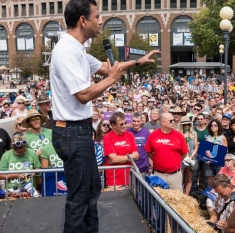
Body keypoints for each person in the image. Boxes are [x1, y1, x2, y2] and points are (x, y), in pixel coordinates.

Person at [50, 1, 159, 232]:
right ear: (82, 20)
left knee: (91, 191)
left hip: (78, 131)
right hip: (71, 132)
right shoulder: (66, 50)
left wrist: (138, 61)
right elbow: (83, 94)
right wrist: (111, 80)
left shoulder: (78, 49)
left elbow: (106, 67)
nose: (101, 22)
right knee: (80, 197)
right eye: (97, 17)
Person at [144, 113, 188, 191]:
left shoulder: (179, 135)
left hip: (175, 176)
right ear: (162, 122)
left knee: (177, 200)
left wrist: (175, 161)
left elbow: (184, 153)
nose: (173, 122)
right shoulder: (153, 135)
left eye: (173, 120)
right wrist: (157, 160)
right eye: (171, 121)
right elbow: (148, 151)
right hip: (159, 175)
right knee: (159, 200)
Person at [103, 112, 139, 188]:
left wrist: (122, 158)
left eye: (125, 123)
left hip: (130, 179)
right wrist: (130, 157)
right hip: (114, 181)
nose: (124, 126)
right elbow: (114, 159)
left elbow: (136, 155)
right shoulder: (107, 137)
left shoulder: (130, 135)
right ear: (113, 125)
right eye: (121, 124)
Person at [204, 119, 228, 187]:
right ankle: (211, 196)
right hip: (210, 163)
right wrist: (206, 159)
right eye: (211, 125)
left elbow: (226, 150)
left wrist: (219, 147)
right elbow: (206, 151)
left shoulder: (222, 137)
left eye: (215, 125)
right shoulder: (208, 138)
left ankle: (218, 196)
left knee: (219, 181)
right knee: (210, 182)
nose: (213, 127)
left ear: (218, 127)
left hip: (219, 163)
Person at [127, 112, 151, 178]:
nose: (136, 123)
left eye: (138, 121)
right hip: (130, 166)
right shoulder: (127, 132)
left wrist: (150, 166)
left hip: (143, 167)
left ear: (141, 122)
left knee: (141, 188)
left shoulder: (146, 132)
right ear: (131, 121)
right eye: (134, 121)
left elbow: (149, 150)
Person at [179, 115, 198, 195]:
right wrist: (183, 138)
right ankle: (180, 193)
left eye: (188, 124)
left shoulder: (194, 133)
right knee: (180, 178)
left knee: (189, 178)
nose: (186, 126)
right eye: (184, 125)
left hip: (191, 157)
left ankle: (186, 196)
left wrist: (191, 156)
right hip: (182, 158)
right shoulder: (178, 134)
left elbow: (196, 146)